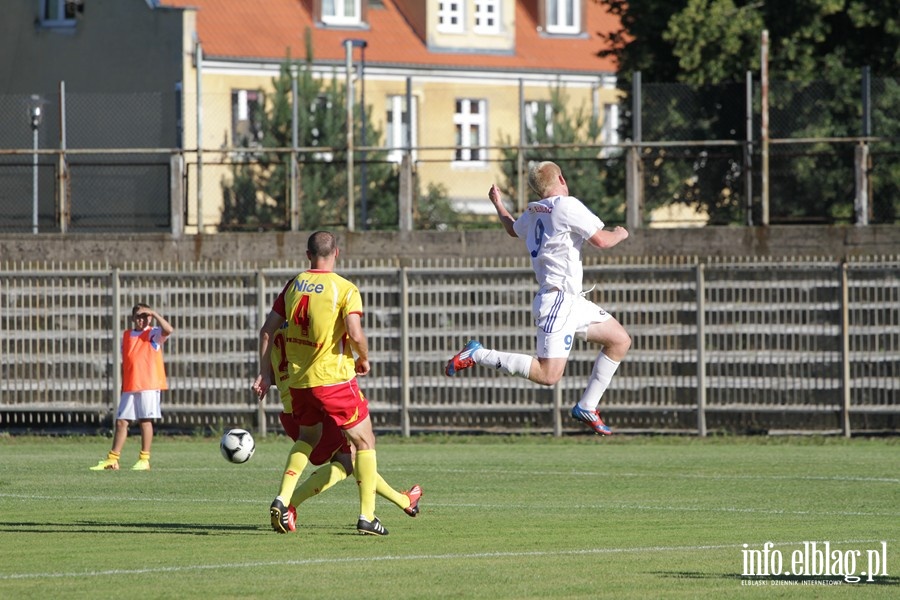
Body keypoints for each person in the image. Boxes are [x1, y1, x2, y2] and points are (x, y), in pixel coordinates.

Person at [444, 161, 631, 435]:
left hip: (571, 301)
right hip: (558, 301)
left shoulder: (534, 210)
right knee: (548, 375)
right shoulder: (567, 206)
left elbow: (512, 229)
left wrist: (498, 204)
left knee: (619, 340)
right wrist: (619, 233)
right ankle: (479, 353)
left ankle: (587, 406)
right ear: (562, 179)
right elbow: (601, 240)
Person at [253, 230, 405, 536]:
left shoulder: (294, 284)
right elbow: (356, 334)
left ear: (308, 255)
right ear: (337, 252)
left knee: (308, 437)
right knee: (364, 442)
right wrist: (363, 358)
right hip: (333, 380)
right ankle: (367, 517)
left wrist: (265, 373)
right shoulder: (345, 289)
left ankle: (283, 499)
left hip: (298, 382)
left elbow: (266, 330)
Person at [268, 320, 422, 532]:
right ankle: (290, 504)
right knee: (353, 456)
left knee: (347, 458)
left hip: (290, 408)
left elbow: (275, 368)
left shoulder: (276, 331)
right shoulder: (306, 327)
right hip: (318, 399)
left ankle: (404, 501)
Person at [90, 304, 174, 470]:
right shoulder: (127, 335)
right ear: (133, 318)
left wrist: (155, 314)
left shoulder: (153, 333)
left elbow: (169, 329)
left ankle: (144, 458)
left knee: (145, 421)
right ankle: (113, 459)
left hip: (148, 384)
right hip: (131, 385)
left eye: (145, 316)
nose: (142, 320)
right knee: (121, 422)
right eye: (138, 316)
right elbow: (128, 363)